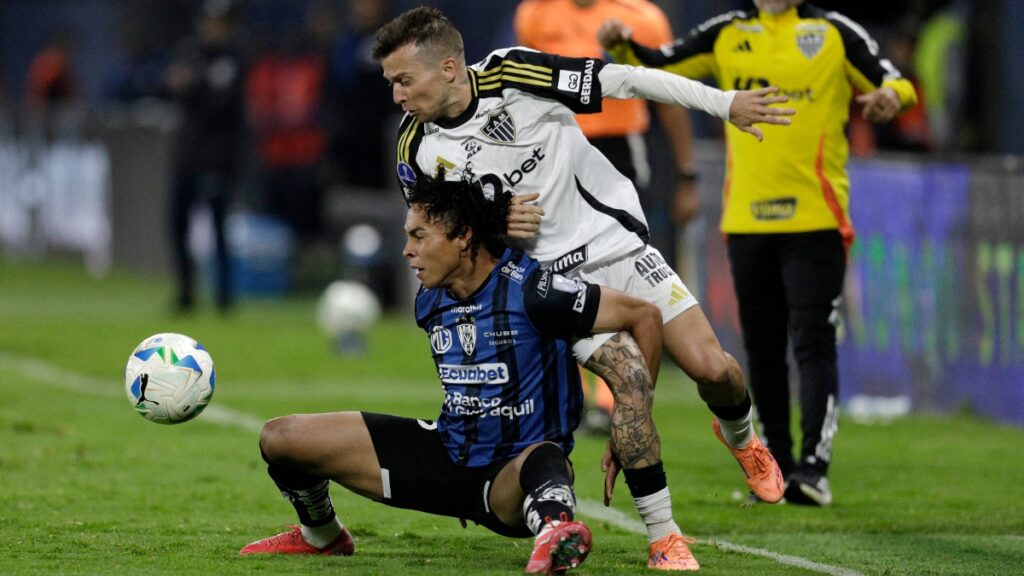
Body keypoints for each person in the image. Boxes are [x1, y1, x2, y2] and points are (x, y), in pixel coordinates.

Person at [372, 6, 792, 569]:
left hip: (616, 246)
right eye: (392, 84)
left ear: (449, 68)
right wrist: (498, 227)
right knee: (628, 379)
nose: (397, 96)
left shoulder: (514, 76)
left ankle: (742, 438)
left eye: (404, 80)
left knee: (714, 369)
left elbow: (626, 79)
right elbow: (444, 237)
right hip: (551, 283)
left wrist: (726, 104)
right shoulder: (415, 151)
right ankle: (664, 535)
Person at [240, 174, 669, 573]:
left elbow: (645, 315)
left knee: (545, 456)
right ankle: (324, 536)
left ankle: (555, 531)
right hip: (446, 455)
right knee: (280, 438)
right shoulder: (429, 300)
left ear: (463, 236)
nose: (407, 249)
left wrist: (633, 422)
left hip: (510, 480)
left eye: (419, 236)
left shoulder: (535, 291)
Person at [599, 0, 918, 506]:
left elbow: (893, 81)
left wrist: (888, 97)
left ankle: (813, 469)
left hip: (816, 218)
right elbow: (660, 63)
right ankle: (777, 466)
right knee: (763, 350)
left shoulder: (834, 31)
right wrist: (620, 44)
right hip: (747, 222)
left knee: (812, 341)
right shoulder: (726, 32)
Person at [514, 0, 699, 434]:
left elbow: (668, 98)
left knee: (618, 268)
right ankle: (574, 396)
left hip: (618, 149)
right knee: (555, 268)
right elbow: (521, 91)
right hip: (555, 149)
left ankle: (610, 395)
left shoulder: (644, 18)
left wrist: (687, 173)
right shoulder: (535, 13)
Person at [164, 1, 247, 312]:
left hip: (217, 158)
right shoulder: (190, 51)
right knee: (177, 227)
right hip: (186, 155)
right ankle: (186, 294)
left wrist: (193, 85)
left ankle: (225, 298)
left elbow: (220, 104)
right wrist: (195, 85)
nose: (214, 29)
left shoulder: (234, 58)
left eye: (220, 24)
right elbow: (173, 86)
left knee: (218, 230)